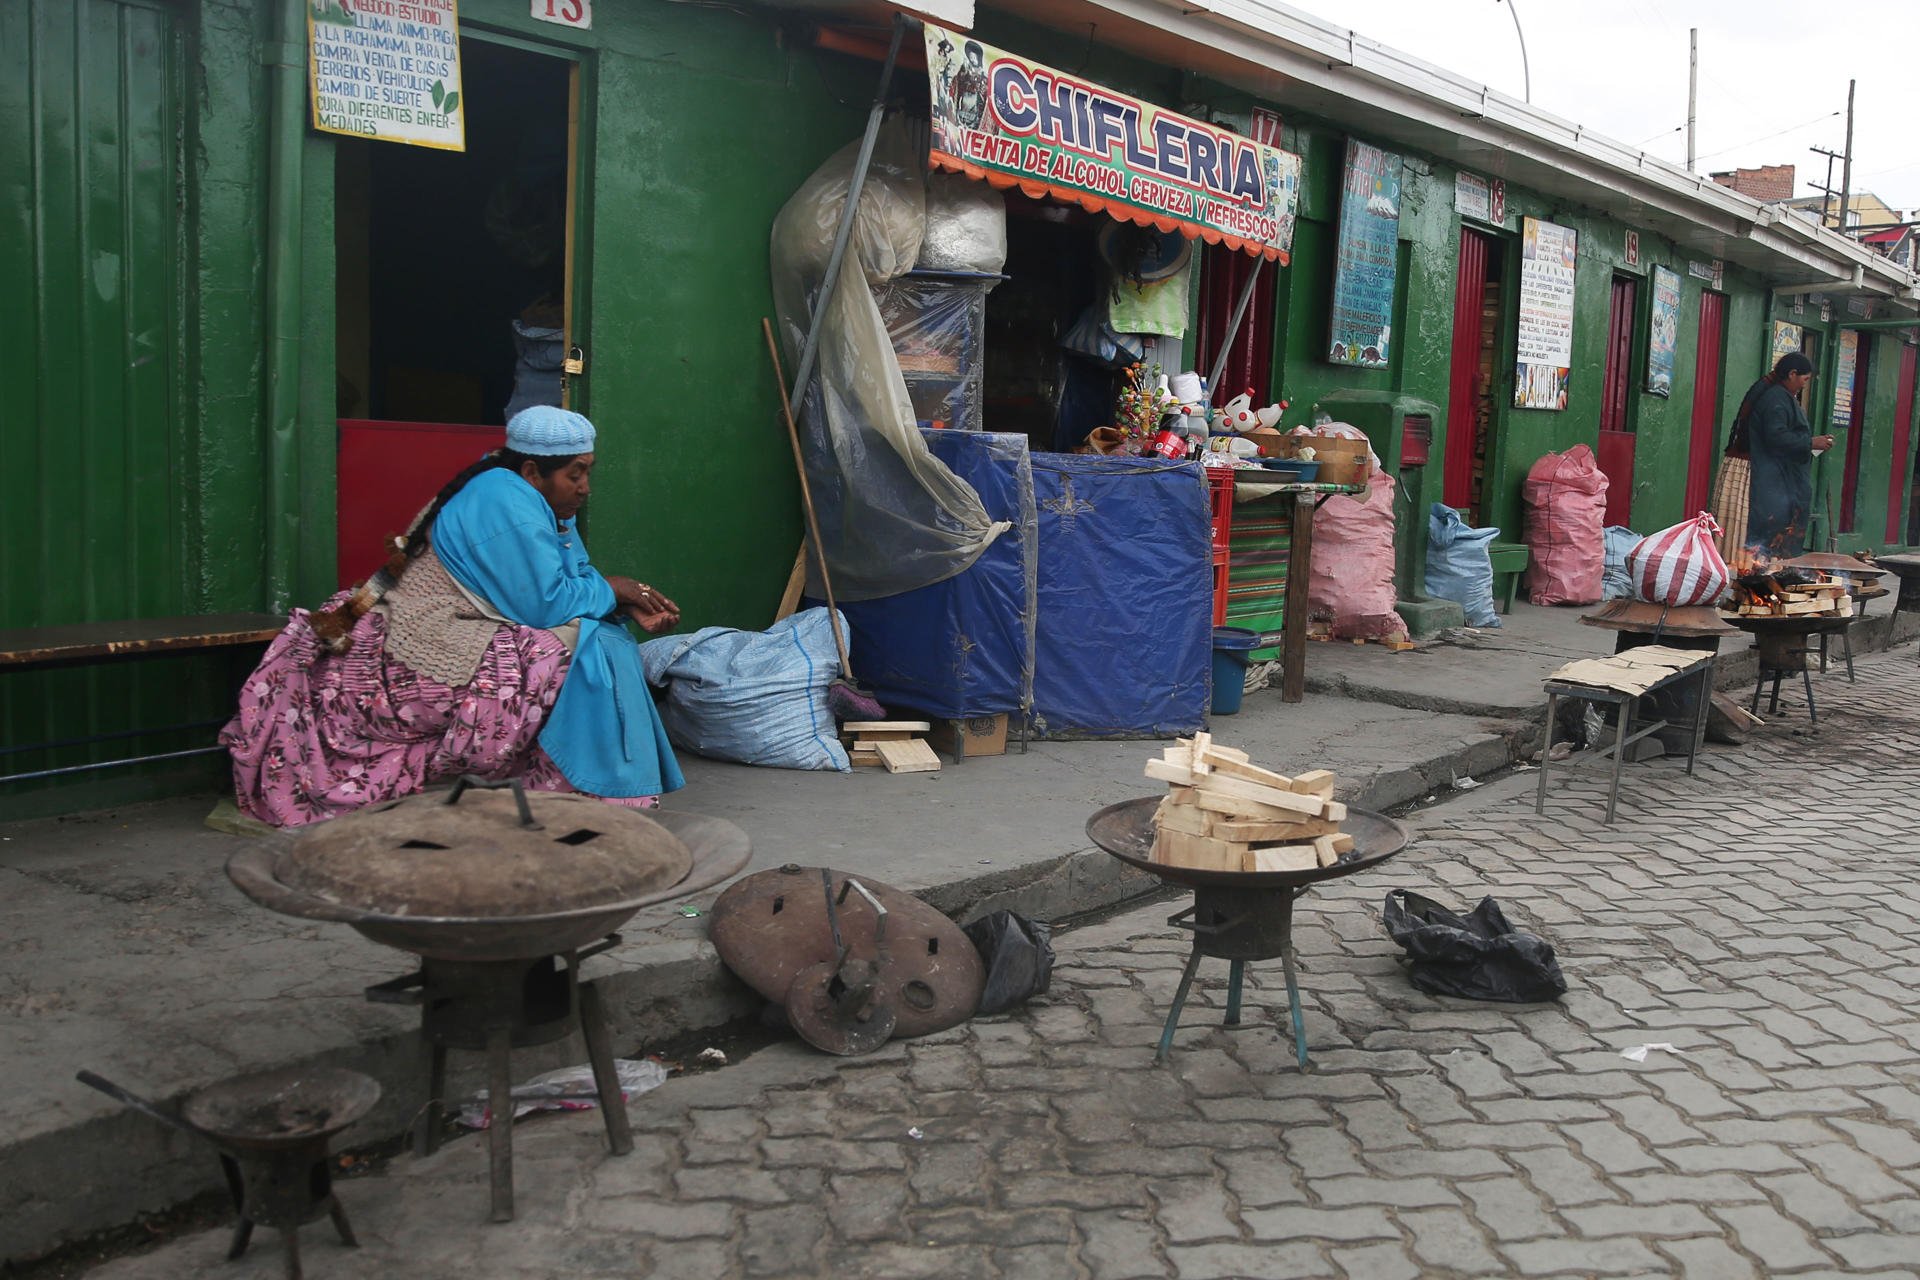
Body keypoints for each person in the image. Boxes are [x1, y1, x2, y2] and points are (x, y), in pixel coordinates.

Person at [221, 406, 685, 827]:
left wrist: (620, 603)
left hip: (466, 626)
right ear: (531, 470)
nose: (585, 487)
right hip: (419, 646)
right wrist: (614, 589)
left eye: (588, 472)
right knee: (577, 656)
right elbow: (545, 606)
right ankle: (582, 795)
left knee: (601, 642)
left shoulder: (533, 497)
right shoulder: (507, 502)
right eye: (575, 474)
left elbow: (573, 580)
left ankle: (584, 791)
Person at [1733, 352, 1833, 562]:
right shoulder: (1776, 398)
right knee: (1772, 538)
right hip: (1775, 482)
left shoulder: (1784, 397)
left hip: (1784, 481)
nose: (1805, 386)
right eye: (1804, 380)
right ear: (1792, 374)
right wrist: (1811, 443)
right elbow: (1776, 437)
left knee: (1783, 540)